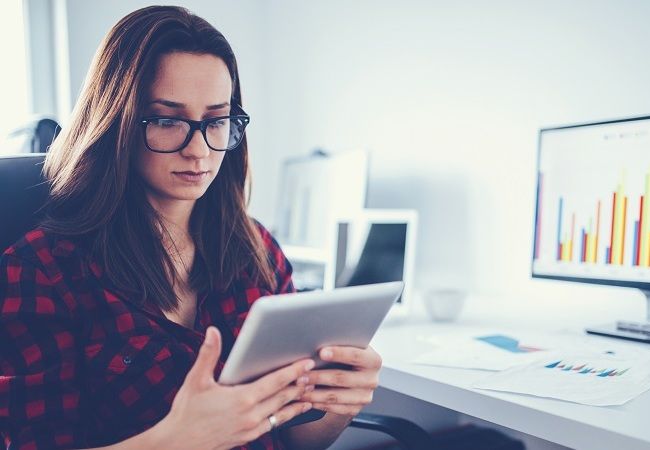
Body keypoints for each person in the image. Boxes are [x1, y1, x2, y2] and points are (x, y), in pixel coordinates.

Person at [0, 6, 382, 449]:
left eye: (216, 121)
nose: (199, 151)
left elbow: (295, 441)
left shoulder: (256, 250)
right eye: (167, 120)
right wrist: (180, 439)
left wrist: (340, 401)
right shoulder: (41, 271)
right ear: (115, 122)